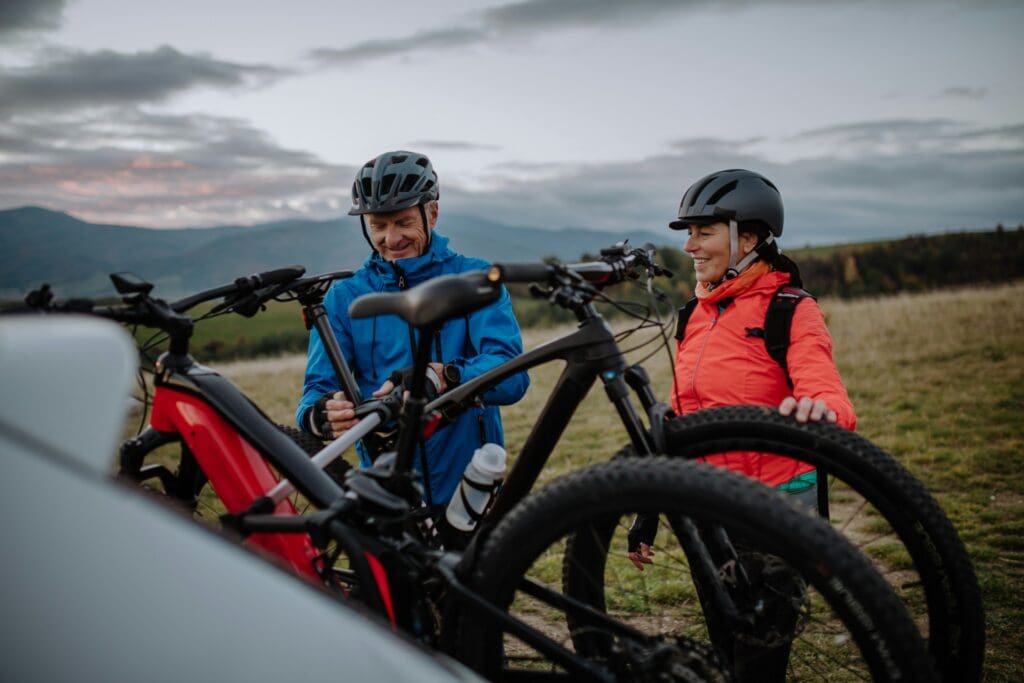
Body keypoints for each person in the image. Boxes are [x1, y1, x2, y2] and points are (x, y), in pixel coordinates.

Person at [630, 168, 856, 570]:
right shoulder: (693, 314)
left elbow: (823, 386)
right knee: (725, 625)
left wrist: (824, 412)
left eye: (704, 232)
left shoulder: (789, 309)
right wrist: (648, 512)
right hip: (709, 502)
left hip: (776, 498)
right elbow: (683, 415)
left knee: (766, 627)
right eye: (689, 232)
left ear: (748, 238)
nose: (689, 246)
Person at [296, 150, 529, 506]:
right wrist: (321, 415)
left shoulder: (475, 280)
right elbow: (315, 394)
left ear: (432, 212)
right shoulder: (343, 299)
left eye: (403, 222)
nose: (391, 239)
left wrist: (447, 375)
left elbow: (513, 378)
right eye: (378, 225)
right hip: (387, 487)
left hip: (470, 483)